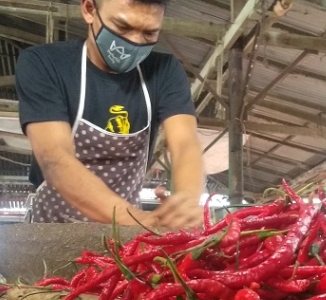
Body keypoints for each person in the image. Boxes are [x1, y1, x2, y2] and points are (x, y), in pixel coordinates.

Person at [16, 0, 205, 229]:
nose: (135, 41)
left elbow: (185, 143)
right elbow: (54, 158)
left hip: (127, 233)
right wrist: (139, 220)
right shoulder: (45, 64)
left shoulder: (164, 71)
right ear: (89, 9)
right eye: (123, 28)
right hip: (54, 229)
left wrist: (185, 202)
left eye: (149, 33)